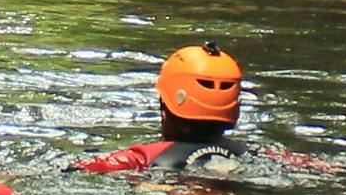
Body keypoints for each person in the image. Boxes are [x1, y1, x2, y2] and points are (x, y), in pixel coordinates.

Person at [71, 44, 282, 178]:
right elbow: (310, 164)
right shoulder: (254, 153)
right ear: (233, 106)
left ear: (166, 107)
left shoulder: (144, 156)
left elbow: (88, 168)